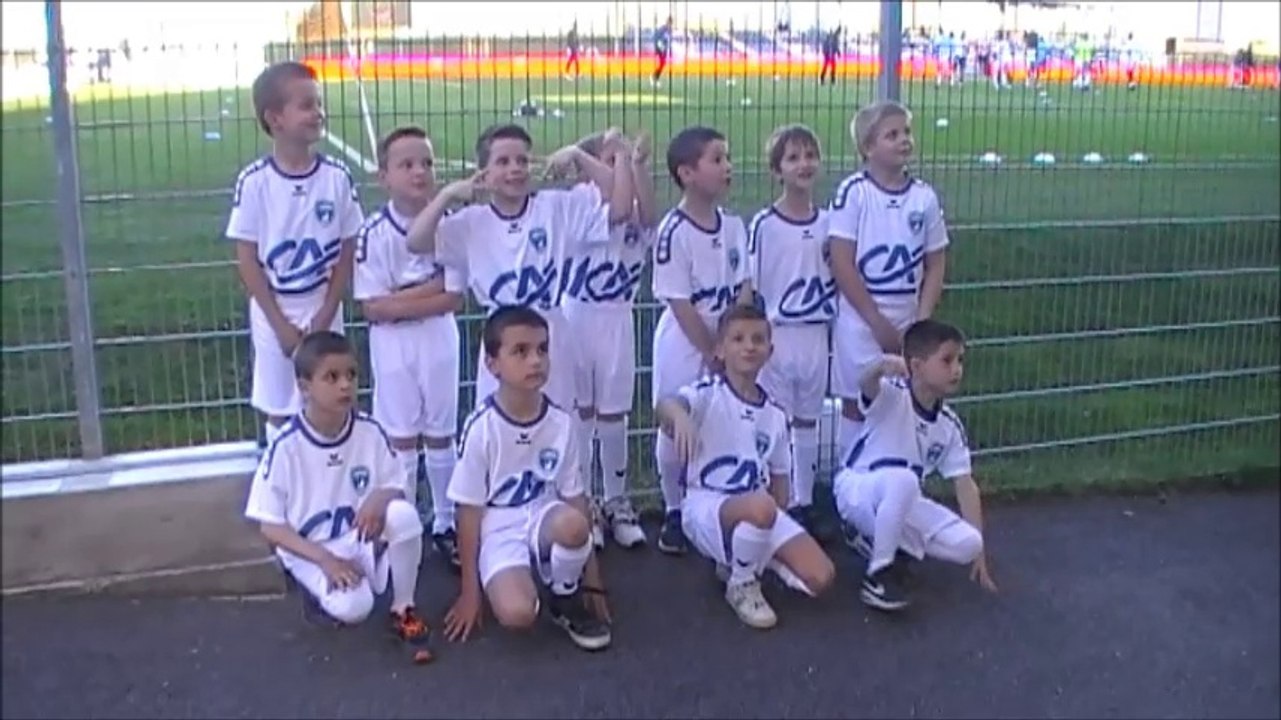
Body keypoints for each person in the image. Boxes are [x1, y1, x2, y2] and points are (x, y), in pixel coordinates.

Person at [404, 123, 633, 413]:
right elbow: (415, 241)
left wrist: (578, 154)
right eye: (503, 162)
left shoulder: (556, 208)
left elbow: (620, 204)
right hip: (502, 335)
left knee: (556, 426)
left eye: (522, 160)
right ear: (483, 172)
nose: (515, 169)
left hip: (550, 337)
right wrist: (447, 195)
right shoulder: (470, 223)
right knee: (501, 427)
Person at [243, 331, 432, 663]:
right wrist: (325, 560)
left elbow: (397, 484)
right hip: (312, 549)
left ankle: (403, 608)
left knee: (404, 516)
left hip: (358, 536)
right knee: (355, 609)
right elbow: (270, 526)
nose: (345, 385)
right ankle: (316, 592)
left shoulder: (370, 430)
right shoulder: (286, 446)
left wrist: (381, 497)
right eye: (332, 377)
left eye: (351, 375)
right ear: (304, 387)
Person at [443, 307, 613, 651]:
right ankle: (528, 577)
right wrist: (469, 593)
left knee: (575, 525)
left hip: (542, 515)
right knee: (518, 614)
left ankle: (566, 596)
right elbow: (469, 513)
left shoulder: (560, 423)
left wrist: (593, 581)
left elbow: (575, 498)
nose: (535, 360)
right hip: (500, 528)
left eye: (542, 349)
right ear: (492, 364)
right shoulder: (481, 429)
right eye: (520, 351)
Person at [656, 305, 835, 629]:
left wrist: (774, 529)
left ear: (770, 350)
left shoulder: (776, 415)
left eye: (758, 339)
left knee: (820, 578)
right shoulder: (707, 395)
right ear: (720, 350)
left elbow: (780, 485)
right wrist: (679, 417)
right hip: (706, 506)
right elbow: (667, 405)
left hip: (755, 509)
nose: (749, 346)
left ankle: (745, 559)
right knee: (761, 507)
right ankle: (741, 583)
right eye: (737, 339)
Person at [354, 126, 478, 569]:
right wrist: (427, 288)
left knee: (440, 432)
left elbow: (453, 298)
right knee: (402, 438)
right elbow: (373, 309)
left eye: (426, 162)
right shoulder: (373, 233)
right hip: (393, 348)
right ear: (383, 176)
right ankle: (404, 525)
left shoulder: (449, 225)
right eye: (406, 164)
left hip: (439, 339)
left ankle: (445, 523)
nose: (419, 172)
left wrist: (400, 298)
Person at [225, 62, 363, 447]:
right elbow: (248, 258)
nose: (318, 112)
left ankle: (332, 487)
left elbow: (347, 249)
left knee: (332, 398)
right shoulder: (255, 183)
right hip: (275, 311)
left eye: (319, 103)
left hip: (322, 305)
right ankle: (282, 489)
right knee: (281, 406)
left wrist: (325, 313)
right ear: (275, 118)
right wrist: (280, 324)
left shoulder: (337, 177)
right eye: (306, 105)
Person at [833, 319, 998, 611]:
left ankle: (880, 543)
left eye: (960, 360)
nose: (956, 369)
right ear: (918, 366)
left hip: (899, 498)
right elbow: (866, 384)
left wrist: (980, 554)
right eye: (946, 360)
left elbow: (964, 483)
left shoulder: (949, 425)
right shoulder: (893, 395)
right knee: (905, 480)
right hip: (857, 488)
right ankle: (879, 575)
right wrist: (881, 365)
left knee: (970, 543)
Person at [826, 100, 949, 462]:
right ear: (867, 147)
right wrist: (875, 321)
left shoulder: (924, 198)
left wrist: (921, 323)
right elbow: (842, 262)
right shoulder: (854, 193)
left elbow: (936, 262)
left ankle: (897, 474)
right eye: (891, 135)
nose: (903, 140)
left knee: (904, 398)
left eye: (906, 132)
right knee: (856, 400)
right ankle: (847, 484)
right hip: (861, 318)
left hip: (907, 314)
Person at [651, 125, 754, 555]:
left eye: (727, 158)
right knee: (675, 420)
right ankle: (674, 509)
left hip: (725, 340)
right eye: (717, 159)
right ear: (687, 173)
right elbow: (679, 301)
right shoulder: (673, 230)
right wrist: (712, 346)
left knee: (719, 416)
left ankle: (709, 500)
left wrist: (734, 339)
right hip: (686, 340)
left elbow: (745, 285)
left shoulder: (734, 225)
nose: (727, 167)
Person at [561, 131, 659, 550]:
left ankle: (617, 500)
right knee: (581, 411)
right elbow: (613, 202)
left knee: (614, 413)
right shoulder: (582, 206)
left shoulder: (637, 214)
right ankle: (586, 502)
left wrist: (635, 163)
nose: (618, 167)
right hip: (577, 316)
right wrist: (591, 157)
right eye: (610, 160)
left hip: (617, 318)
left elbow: (647, 214)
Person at [746, 124, 832, 535]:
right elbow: (753, 287)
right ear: (777, 170)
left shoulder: (830, 223)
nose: (804, 164)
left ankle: (804, 500)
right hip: (780, 336)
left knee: (807, 420)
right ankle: (775, 500)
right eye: (794, 157)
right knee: (776, 419)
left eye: (810, 155)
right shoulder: (765, 224)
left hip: (816, 333)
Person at [652, 16, 674, 86]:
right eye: (669, 22)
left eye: (671, 23)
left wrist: (668, 48)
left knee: (663, 63)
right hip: (659, 48)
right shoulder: (662, 29)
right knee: (660, 63)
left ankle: (655, 77)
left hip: (664, 49)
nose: (670, 24)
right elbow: (655, 37)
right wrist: (659, 45)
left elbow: (668, 40)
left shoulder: (670, 31)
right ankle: (655, 77)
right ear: (667, 22)